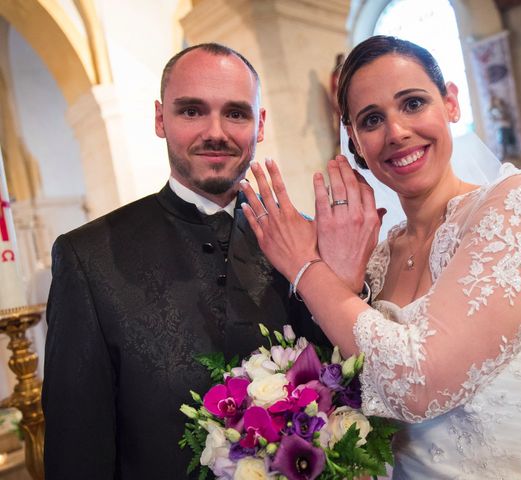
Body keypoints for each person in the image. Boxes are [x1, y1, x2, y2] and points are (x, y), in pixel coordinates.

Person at [239, 36, 521, 478]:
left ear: (450, 102)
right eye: (372, 119)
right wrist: (347, 282)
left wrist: (306, 267)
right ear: (354, 139)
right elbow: (357, 397)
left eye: (413, 103)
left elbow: (420, 383)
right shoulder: (376, 259)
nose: (396, 132)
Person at [41, 43, 331, 480]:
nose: (216, 132)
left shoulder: (307, 239)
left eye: (236, 113)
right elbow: (77, 443)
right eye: (192, 111)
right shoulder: (88, 256)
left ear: (260, 123)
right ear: (160, 119)